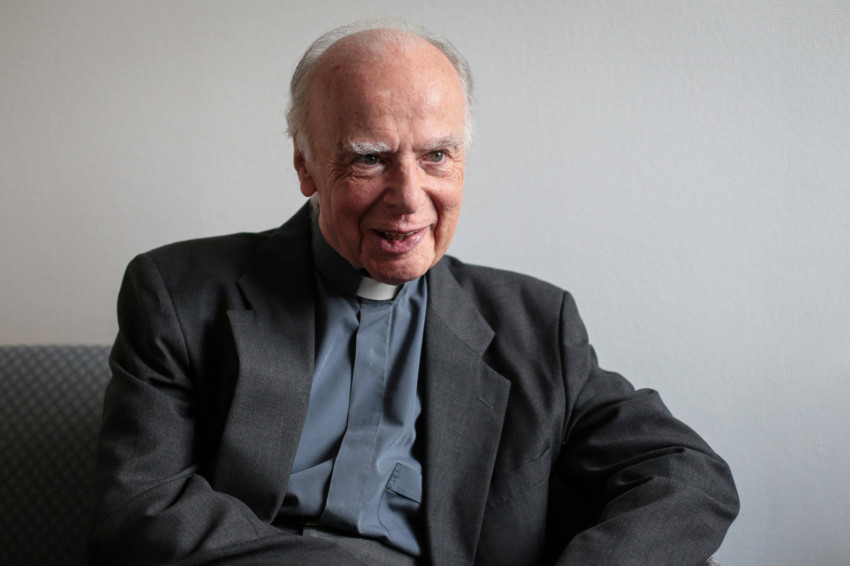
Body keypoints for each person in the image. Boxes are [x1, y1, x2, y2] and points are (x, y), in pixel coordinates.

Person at [88, 19, 738, 566]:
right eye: (369, 158)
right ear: (306, 164)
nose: (408, 199)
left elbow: (686, 473)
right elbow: (140, 508)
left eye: (436, 156)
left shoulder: (537, 324)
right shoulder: (178, 293)